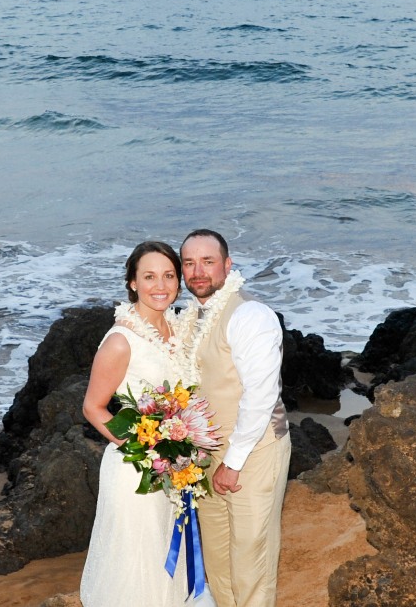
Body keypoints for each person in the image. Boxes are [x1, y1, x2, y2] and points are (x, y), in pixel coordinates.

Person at [78, 241, 214, 606]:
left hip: (175, 469)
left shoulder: (178, 329)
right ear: (133, 283)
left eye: (169, 275)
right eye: (149, 276)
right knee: (138, 566)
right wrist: (145, 449)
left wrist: (181, 451)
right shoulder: (121, 341)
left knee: (169, 557)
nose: (160, 285)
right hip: (136, 471)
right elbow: (93, 407)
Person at [178, 229, 288, 607]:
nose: (198, 272)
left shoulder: (250, 315)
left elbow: (261, 396)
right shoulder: (190, 316)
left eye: (208, 262)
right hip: (206, 453)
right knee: (218, 556)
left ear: (227, 264)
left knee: (249, 557)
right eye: (189, 263)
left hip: (253, 451)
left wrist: (234, 462)